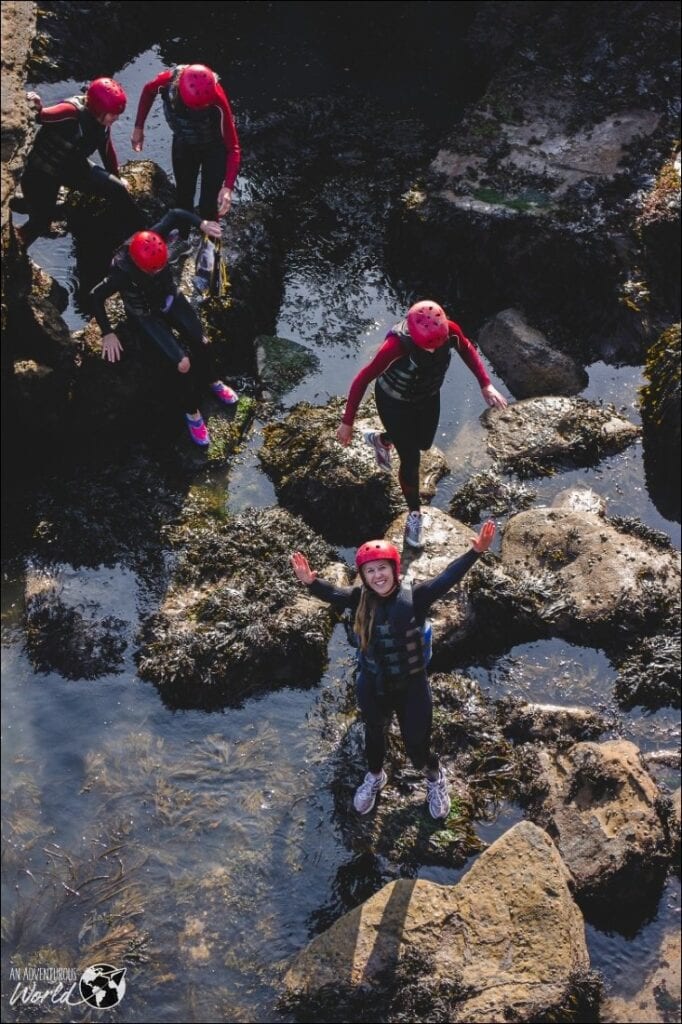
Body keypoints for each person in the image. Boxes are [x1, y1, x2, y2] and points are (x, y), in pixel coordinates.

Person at [291, 519, 496, 818]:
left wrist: (475, 552)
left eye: (382, 568)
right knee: (374, 738)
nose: (377, 576)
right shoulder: (358, 598)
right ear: (363, 575)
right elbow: (332, 593)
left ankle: (435, 778)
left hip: (411, 685)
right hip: (372, 683)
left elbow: (447, 578)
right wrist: (310, 581)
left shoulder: (416, 596)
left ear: (394, 568)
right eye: (370, 571)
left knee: (417, 747)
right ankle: (375, 777)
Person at [336, 301, 508, 549]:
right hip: (394, 401)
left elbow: (468, 349)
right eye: (429, 346)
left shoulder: (449, 330)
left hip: (427, 396)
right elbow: (362, 379)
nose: (434, 350)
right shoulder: (395, 346)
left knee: (425, 442)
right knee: (411, 458)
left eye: (438, 344)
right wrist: (347, 422)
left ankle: (382, 440)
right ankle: (415, 514)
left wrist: (485, 383)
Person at [89, 208, 239, 447]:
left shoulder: (153, 235)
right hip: (146, 313)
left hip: (169, 298)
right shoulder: (121, 272)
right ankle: (192, 413)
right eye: (154, 269)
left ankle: (213, 381)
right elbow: (96, 296)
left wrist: (201, 224)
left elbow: (176, 214)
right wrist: (107, 332)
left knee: (202, 342)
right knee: (182, 363)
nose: (159, 270)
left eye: (161, 266)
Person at [131, 64, 241, 262]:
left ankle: (211, 245)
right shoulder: (166, 82)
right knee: (183, 195)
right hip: (184, 142)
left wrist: (228, 187)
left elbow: (233, 147)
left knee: (208, 202)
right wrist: (139, 126)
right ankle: (183, 240)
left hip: (213, 148)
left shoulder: (217, 99)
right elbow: (148, 91)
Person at [16, 77, 142, 249]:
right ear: (99, 109)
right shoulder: (70, 112)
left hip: (72, 167)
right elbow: (41, 116)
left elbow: (106, 150)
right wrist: (36, 105)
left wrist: (117, 177)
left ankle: (139, 233)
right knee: (40, 223)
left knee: (117, 189)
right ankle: (14, 248)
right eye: (114, 113)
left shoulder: (102, 120)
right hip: (41, 174)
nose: (117, 117)